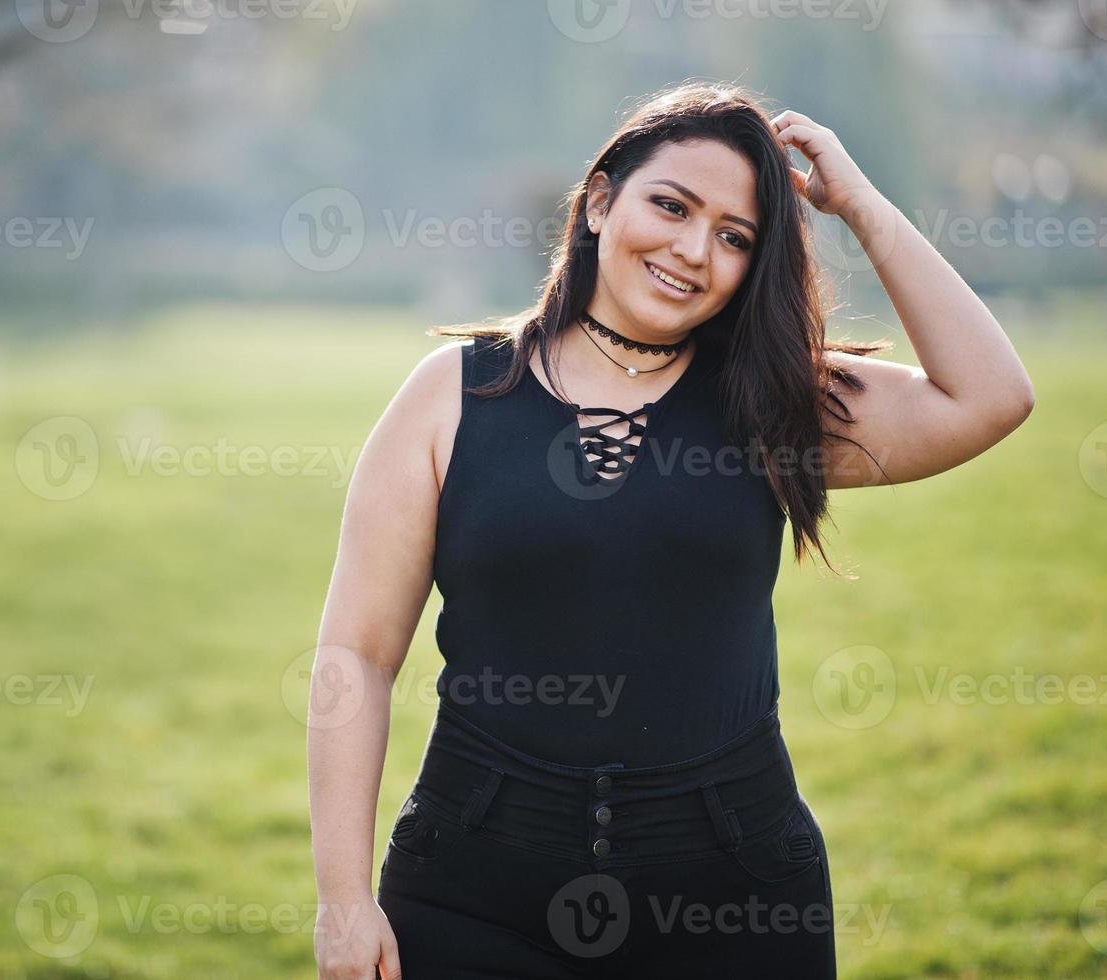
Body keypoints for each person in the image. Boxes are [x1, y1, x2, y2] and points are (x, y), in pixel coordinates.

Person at [308, 81, 1034, 979]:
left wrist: (860, 205)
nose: (693, 250)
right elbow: (357, 654)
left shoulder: (772, 401)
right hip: (471, 897)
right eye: (671, 205)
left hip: (737, 900)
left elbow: (991, 397)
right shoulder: (450, 395)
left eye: (735, 237)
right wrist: (341, 898)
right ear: (601, 200)